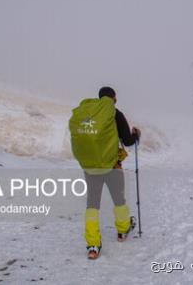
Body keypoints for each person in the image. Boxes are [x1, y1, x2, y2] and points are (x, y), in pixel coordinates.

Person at [74, 86, 141, 260]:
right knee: (119, 200)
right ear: (113, 98)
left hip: (90, 167)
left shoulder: (88, 114)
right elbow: (127, 141)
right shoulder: (115, 113)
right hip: (112, 166)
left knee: (92, 204)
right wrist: (136, 135)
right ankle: (122, 230)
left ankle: (93, 245)